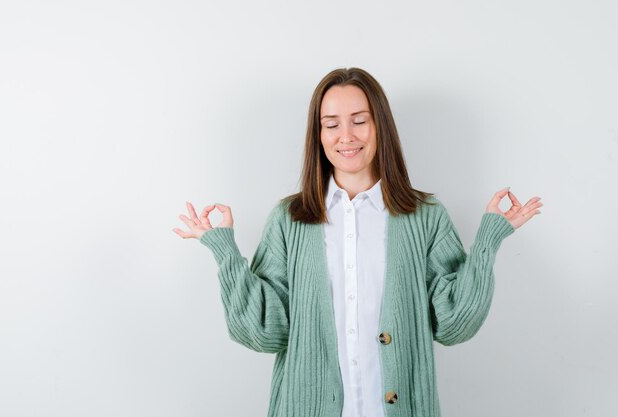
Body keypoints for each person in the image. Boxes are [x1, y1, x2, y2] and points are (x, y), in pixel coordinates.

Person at [173, 67, 542, 417]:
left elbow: (453, 324)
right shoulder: (289, 219)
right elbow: (265, 331)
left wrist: (488, 241)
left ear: (381, 127)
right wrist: (224, 252)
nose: (346, 136)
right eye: (331, 124)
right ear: (318, 135)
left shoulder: (425, 216)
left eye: (360, 121)